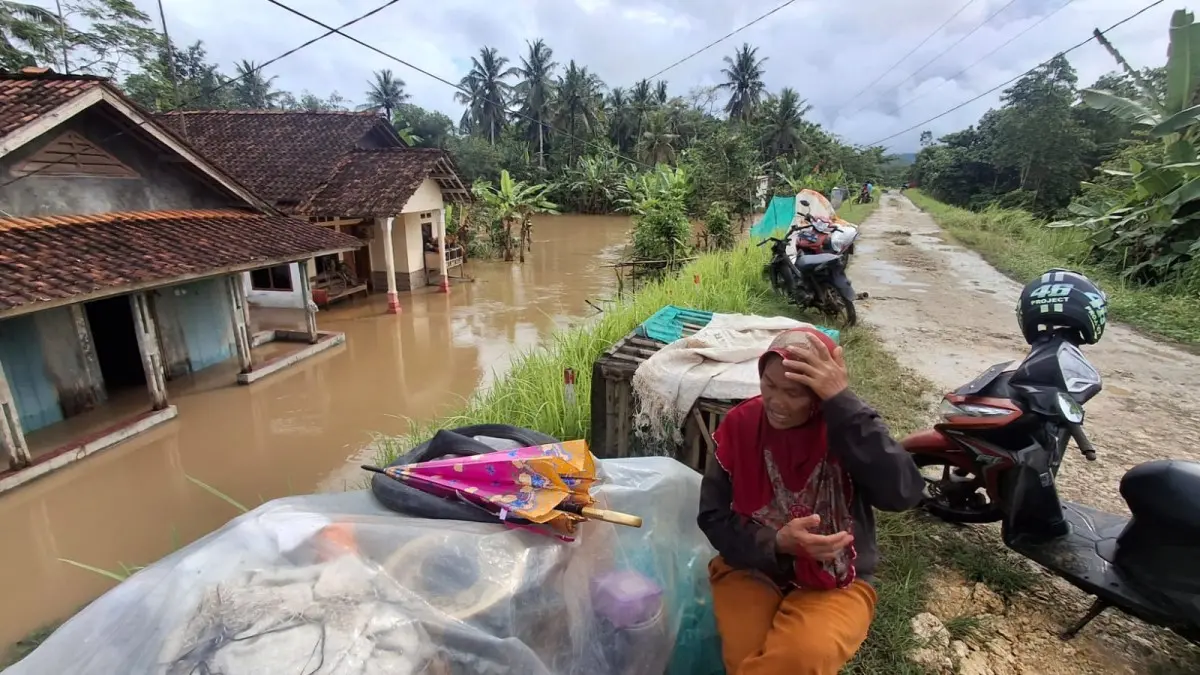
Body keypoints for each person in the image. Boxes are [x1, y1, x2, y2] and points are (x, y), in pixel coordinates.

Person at [697, 327, 924, 675]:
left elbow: (902, 494)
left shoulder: (847, 429)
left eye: (793, 393)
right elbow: (713, 517)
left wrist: (843, 403)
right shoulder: (741, 426)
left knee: (799, 657)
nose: (776, 401)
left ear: (819, 396)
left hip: (837, 579)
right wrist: (777, 542)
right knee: (747, 657)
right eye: (769, 384)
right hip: (753, 566)